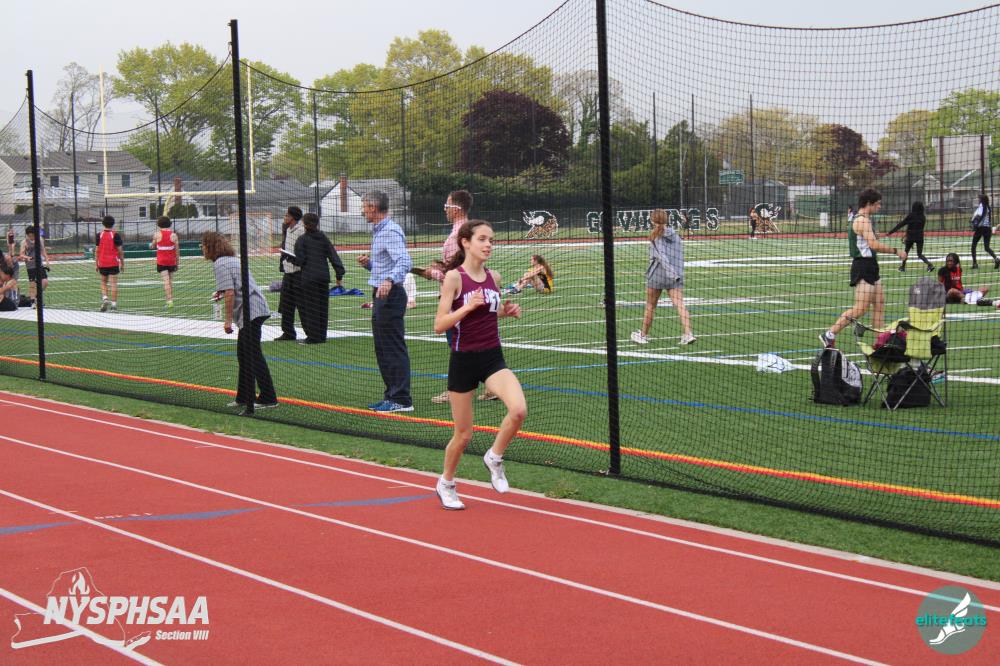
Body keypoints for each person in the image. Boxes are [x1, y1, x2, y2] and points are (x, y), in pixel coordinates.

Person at [432, 219, 525, 510]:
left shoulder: (494, 277)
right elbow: (439, 324)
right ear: (466, 242)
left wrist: (506, 312)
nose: (488, 245)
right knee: (463, 435)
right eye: (482, 239)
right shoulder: (454, 278)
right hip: (463, 360)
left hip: (492, 357)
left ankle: (494, 457)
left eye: (491, 240)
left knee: (519, 410)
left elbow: (488, 312)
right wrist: (467, 306)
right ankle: (446, 483)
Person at [201, 231, 277, 412]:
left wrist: (227, 321)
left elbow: (230, 292)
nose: (202, 248)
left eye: (203, 245)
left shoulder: (220, 264)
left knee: (252, 355)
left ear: (210, 247)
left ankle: (268, 397)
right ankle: (244, 396)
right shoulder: (232, 260)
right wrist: (221, 292)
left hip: (252, 311)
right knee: (244, 355)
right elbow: (233, 287)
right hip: (255, 309)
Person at [820, 189, 906, 349]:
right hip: (863, 266)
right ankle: (829, 334)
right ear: (868, 203)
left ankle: (880, 342)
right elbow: (873, 245)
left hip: (871, 265)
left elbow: (868, 242)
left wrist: (873, 236)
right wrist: (896, 251)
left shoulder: (865, 220)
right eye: (877, 204)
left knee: (879, 303)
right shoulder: (862, 221)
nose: (879, 207)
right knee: (860, 309)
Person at [356, 190, 413, 412]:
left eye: (364, 206)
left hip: (390, 296)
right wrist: (370, 265)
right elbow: (387, 264)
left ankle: (401, 399)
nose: (363, 211)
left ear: (373, 207)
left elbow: (405, 262)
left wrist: (389, 280)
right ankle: (391, 395)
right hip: (382, 294)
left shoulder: (389, 231)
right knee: (382, 348)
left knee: (392, 348)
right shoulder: (380, 231)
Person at [630, 209, 695, 346]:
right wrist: (676, 275)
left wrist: (672, 274)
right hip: (675, 276)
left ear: (652, 221)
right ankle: (688, 334)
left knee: (650, 306)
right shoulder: (675, 235)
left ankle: (643, 335)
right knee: (680, 305)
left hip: (658, 275)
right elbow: (678, 256)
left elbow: (662, 258)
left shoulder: (656, 237)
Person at [290, 212, 345, 344]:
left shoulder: (302, 240)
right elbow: (333, 256)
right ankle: (321, 336)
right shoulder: (323, 237)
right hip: (323, 277)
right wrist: (339, 273)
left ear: (304, 224)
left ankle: (313, 337)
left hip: (309, 278)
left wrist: (290, 258)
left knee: (311, 307)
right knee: (323, 307)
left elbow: (300, 261)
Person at [275, 206, 305, 341]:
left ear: (293, 217)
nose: (285, 217)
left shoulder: (301, 230)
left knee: (302, 304)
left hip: (299, 272)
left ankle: (310, 332)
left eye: (287, 215)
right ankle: (288, 332)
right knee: (285, 304)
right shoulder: (287, 230)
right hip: (288, 272)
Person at [886, 201, 933, 272]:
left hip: (911, 237)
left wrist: (890, 232)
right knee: (919, 254)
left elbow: (901, 224)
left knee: (906, 252)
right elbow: (915, 226)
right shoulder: (923, 217)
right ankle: (930, 265)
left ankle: (902, 267)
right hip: (920, 237)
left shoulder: (911, 215)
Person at [95, 215, 124, 312]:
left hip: (102, 263)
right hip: (113, 263)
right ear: (113, 224)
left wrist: (96, 264)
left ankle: (105, 298)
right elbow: (120, 251)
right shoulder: (115, 235)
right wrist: (122, 263)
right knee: (113, 284)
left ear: (103, 224)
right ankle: (114, 305)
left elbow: (97, 250)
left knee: (103, 282)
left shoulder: (99, 235)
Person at [149, 216, 179, 307]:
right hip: (171, 261)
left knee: (166, 281)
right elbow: (177, 251)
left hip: (162, 261)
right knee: (170, 281)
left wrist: (150, 245)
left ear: (159, 224)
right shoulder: (174, 235)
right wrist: (177, 263)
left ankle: (169, 301)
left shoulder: (156, 234)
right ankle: (170, 300)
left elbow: (152, 246)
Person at [17, 226, 49, 308]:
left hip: (39, 264)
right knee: (32, 284)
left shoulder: (40, 239)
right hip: (30, 266)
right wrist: (28, 257)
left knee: (45, 282)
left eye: (32, 235)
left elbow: (43, 250)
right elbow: (21, 254)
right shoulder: (24, 242)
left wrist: (47, 261)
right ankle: (32, 302)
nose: (31, 237)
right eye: (29, 235)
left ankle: (36, 297)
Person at [969, 194, 998, 270]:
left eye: (979, 199)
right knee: (987, 247)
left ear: (981, 200)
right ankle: (996, 258)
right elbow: (987, 218)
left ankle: (975, 263)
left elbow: (979, 216)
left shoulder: (982, 206)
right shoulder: (988, 207)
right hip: (988, 229)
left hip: (981, 228)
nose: (978, 200)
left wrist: (975, 224)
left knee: (973, 245)